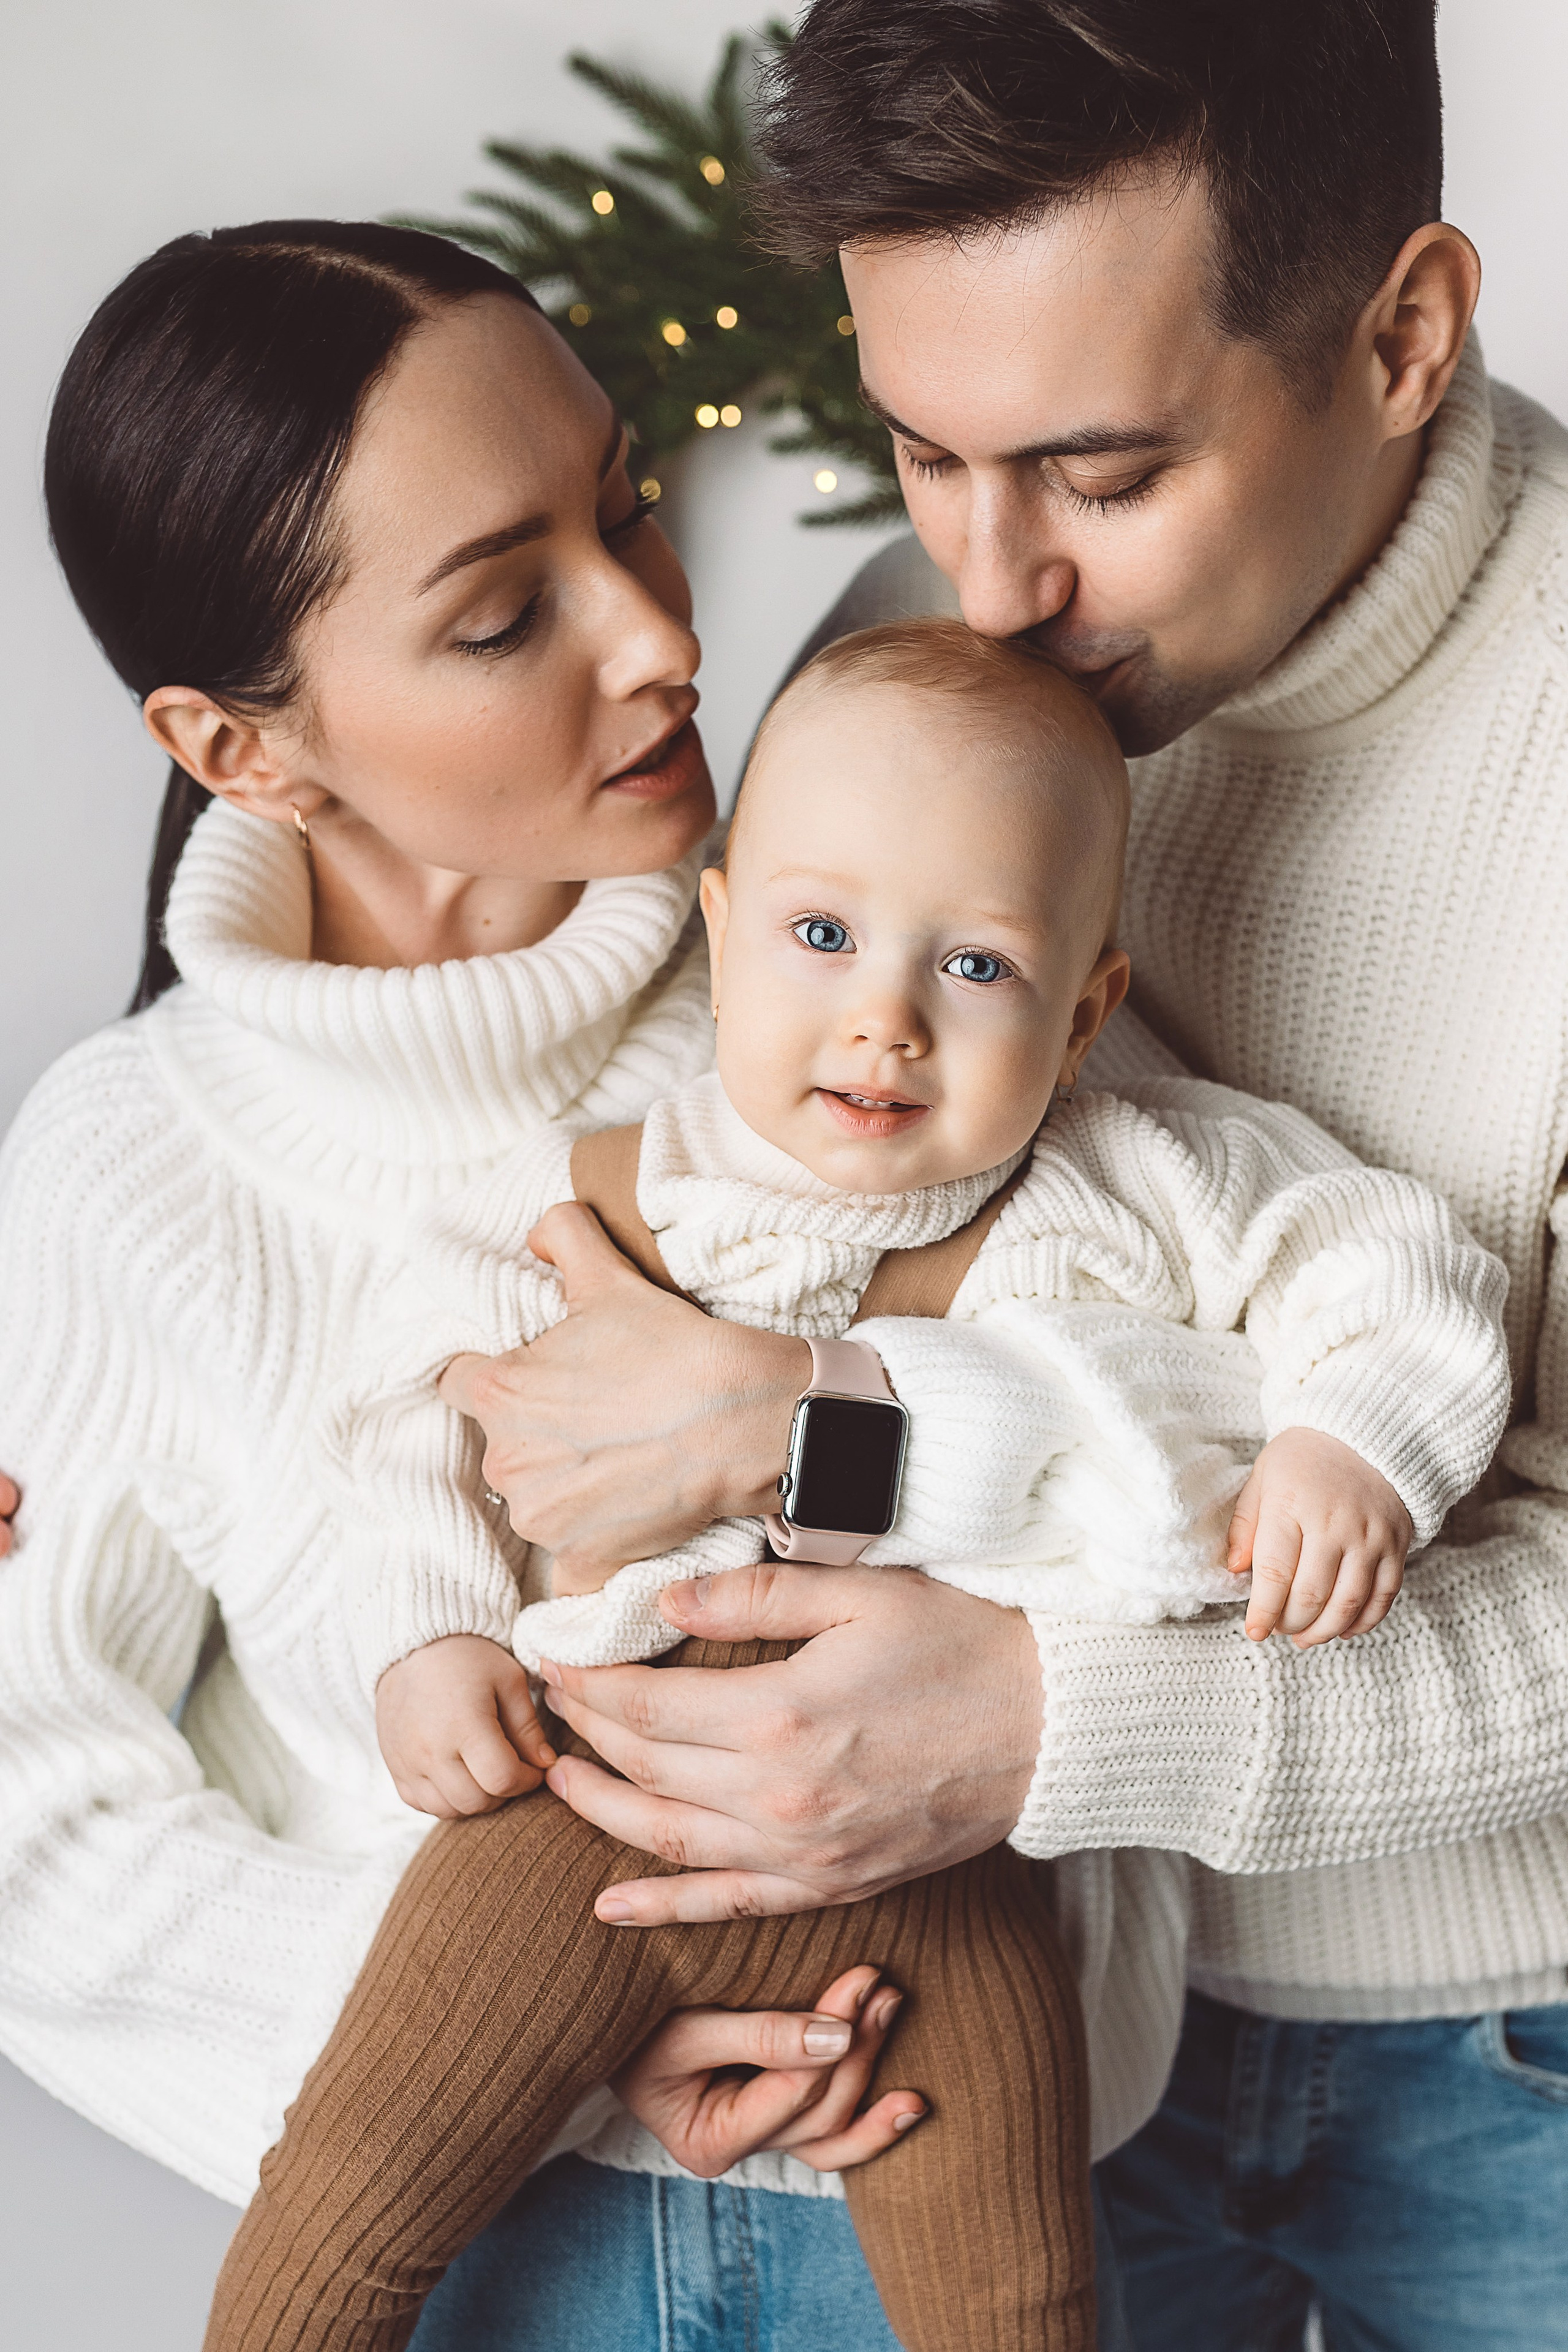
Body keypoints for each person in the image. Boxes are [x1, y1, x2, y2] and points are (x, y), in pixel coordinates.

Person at [412, 3, 1568, 2345]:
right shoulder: (912, 657)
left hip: (1510, 2052)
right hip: (1005, 2022)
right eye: (922, 449)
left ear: (1403, 334)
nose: (992, 579)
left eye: (1103, 473)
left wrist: (1045, 1715)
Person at [205, 619, 1507, 2352]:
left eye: (974, 967)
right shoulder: (601, 1190)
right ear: (725, 932)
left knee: (1020, 2290)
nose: (882, 1021)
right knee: (353, 2195)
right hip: (576, 1814)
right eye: (821, 935)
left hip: (950, 1886)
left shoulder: (1147, 1181)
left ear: (1088, 1004)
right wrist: (424, 1635)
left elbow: (1397, 1271)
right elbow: (396, 1419)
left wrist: (1356, 1446)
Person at [0, 219, 940, 2352]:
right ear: (240, 750)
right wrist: (532, 2034)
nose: (659, 633)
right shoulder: (132, 1167)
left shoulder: (850, 989)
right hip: (505, 2255)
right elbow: (18, 1806)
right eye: (510, 611)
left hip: (1000, 2191)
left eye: (626, 506)